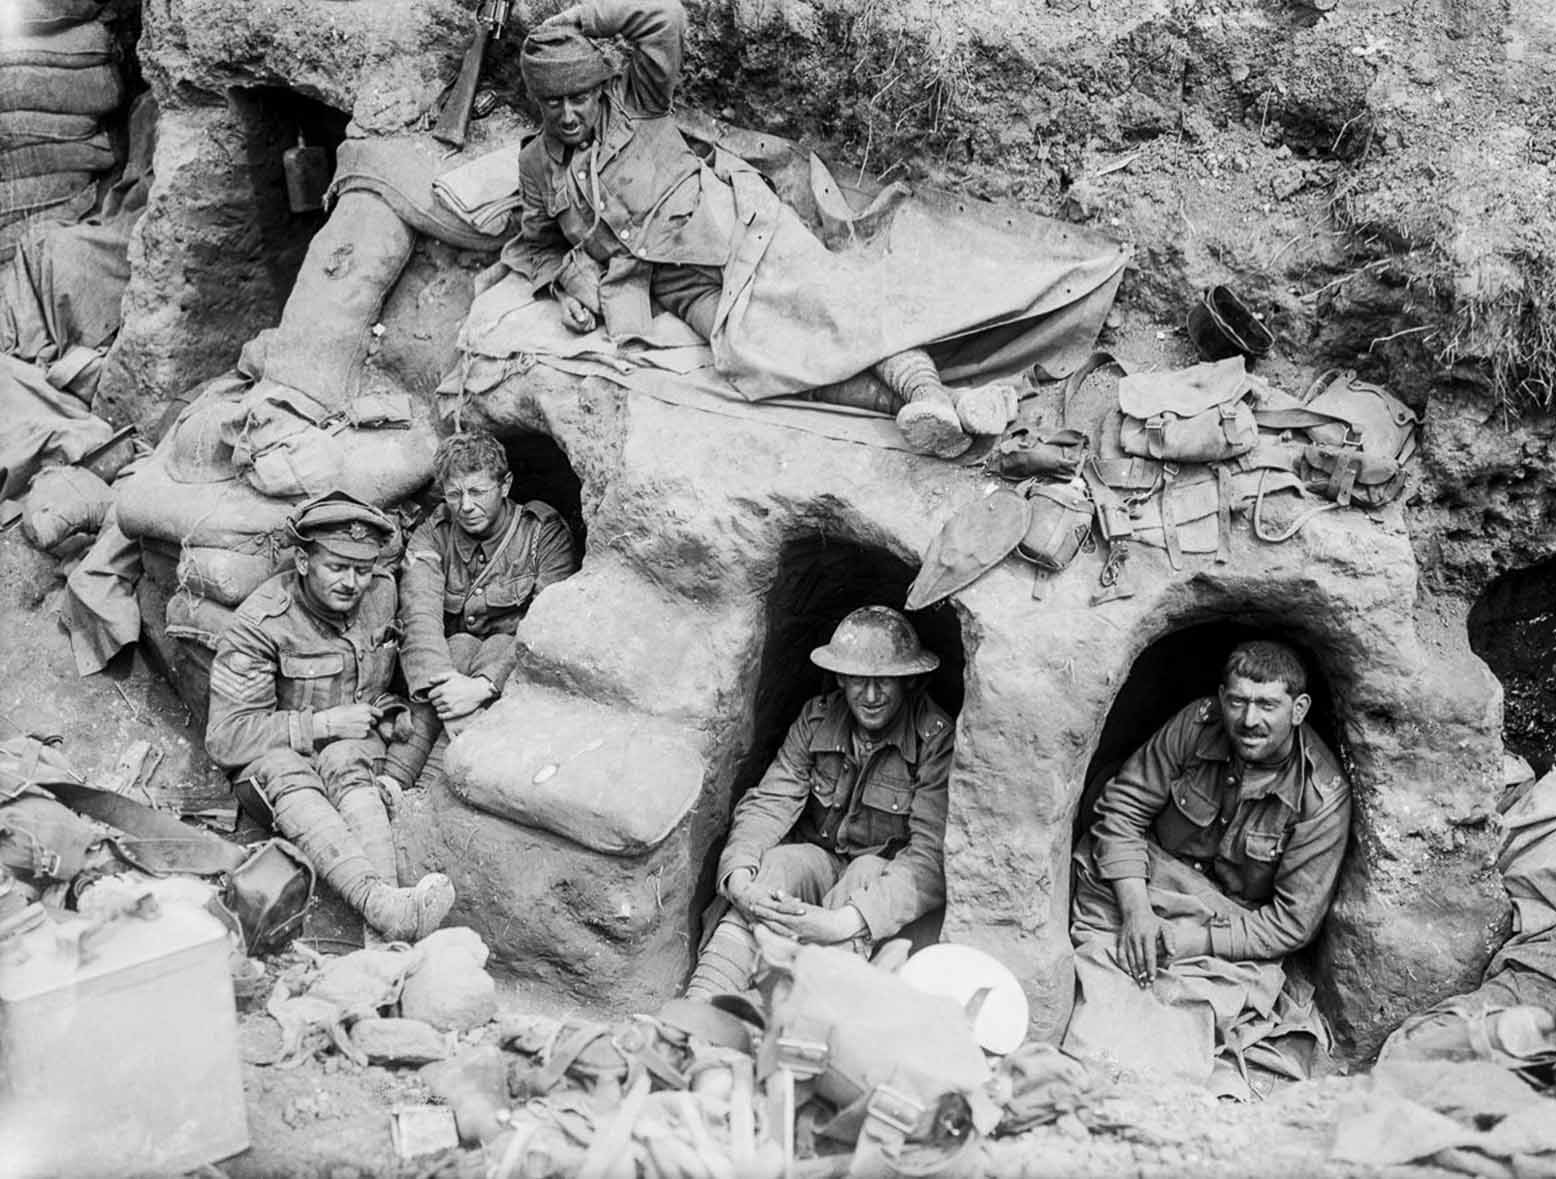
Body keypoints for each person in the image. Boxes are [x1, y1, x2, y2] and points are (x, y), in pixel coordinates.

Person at [483, 0, 1021, 460]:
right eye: (554, 103)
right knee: (755, 359)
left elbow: (663, 14)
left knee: (829, 304)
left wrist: (578, 18)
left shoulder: (637, 99)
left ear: (600, 90)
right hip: (669, 281)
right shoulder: (535, 164)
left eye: (579, 97)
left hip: (732, 226)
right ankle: (927, 411)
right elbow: (537, 245)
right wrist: (563, 287)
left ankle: (931, 389)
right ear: (538, 103)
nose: (569, 113)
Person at [1066, 639, 1352, 1092]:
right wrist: (1137, 909)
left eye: (1267, 705)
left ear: (1298, 709)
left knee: (1185, 1007)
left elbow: (1291, 925)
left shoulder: (1319, 797)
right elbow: (1122, 809)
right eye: (1237, 701)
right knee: (1100, 970)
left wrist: (1189, 941)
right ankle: (1091, 1071)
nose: (1248, 719)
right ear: (1221, 698)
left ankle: (1146, 1094)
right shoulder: (1197, 725)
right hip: (1149, 879)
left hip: (1227, 924)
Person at [206, 491, 456, 943]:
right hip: (277, 773)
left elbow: (408, 658)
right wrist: (321, 725)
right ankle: (379, 905)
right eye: (336, 568)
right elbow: (226, 738)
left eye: (361, 569)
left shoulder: (382, 594)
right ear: (302, 562)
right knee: (289, 766)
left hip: (355, 757)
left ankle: (388, 922)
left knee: (343, 756)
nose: (352, 582)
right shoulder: (262, 623)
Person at [684, 606, 953, 998]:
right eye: (859, 680)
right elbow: (770, 803)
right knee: (777, 865)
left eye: (886, 682)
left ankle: (793, 1014)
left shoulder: (934, 738)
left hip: (877, 892)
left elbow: (928, 858)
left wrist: (844, 922)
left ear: (909, 681)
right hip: (821, 865)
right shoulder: (817, 719)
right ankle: (703, 1005)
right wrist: (739, 877)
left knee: (865, 870)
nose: (872, 695)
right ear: (841, 677)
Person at [384, 431, 578, 790]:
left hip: (508, 672)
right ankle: (391, 783)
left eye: (477, 492)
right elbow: (419, 613)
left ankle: (423, 787)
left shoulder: (541, 533)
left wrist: (484, 686)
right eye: (454, 494)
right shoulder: (435, 532)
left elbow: (547, 626)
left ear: (505, 485)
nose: (465, 506)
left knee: (494, 645)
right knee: (457, 645)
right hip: (447, 672)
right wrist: (447, 687)